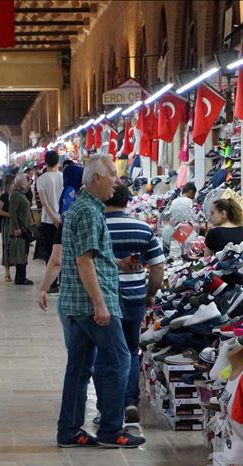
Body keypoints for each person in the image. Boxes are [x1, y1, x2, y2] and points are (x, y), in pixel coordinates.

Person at [56, 154, 145, 448]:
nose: (116, 182)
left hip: (77, 304)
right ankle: (110, 429)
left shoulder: (85, 209)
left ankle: (68, 431)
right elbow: (83, 262)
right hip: (90, 304)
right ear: (97, 178)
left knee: (79, 368)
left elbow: (90, 256)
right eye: (112, 175)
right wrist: (100, 304)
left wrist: (117, 264)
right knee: (119, 359)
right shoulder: (90, 213)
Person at [103, 184, 165, 424]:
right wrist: (150, 294)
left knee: (106, 353)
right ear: (128, 201)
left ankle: (109, 406)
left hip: (105, 298)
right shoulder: (142, 228)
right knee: (130, 350)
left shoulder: (97, 227)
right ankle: (130, 400)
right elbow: (158, 267)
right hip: (134, 298)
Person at [35, 151, 63, 264]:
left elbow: (44, 203)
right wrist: (58, 219)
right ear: (58, 161)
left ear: (45, 162)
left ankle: (51, 281)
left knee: (49, 253)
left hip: (47, 220)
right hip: (63, 219)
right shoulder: (64, 176)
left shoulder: (41, 179)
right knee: (62, 252)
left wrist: (54, 219)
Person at [8, 171, 35, 285]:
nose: (28, 184)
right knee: (21, 252)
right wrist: (16, 227)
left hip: (24, 227)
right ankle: (20, 278)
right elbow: (12, 212)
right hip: (20, 228)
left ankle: (21, 276)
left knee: (23, 252)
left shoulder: (20, 193)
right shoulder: (16, 194)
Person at [0, 173, 15, 282]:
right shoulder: (4, 196)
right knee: (6, 246)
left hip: (14, 223)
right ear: (8, 184)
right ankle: (7, 273)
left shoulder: (16, 194)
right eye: (13, 183)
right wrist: (10, 215)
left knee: (15, 246)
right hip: (7, 224)